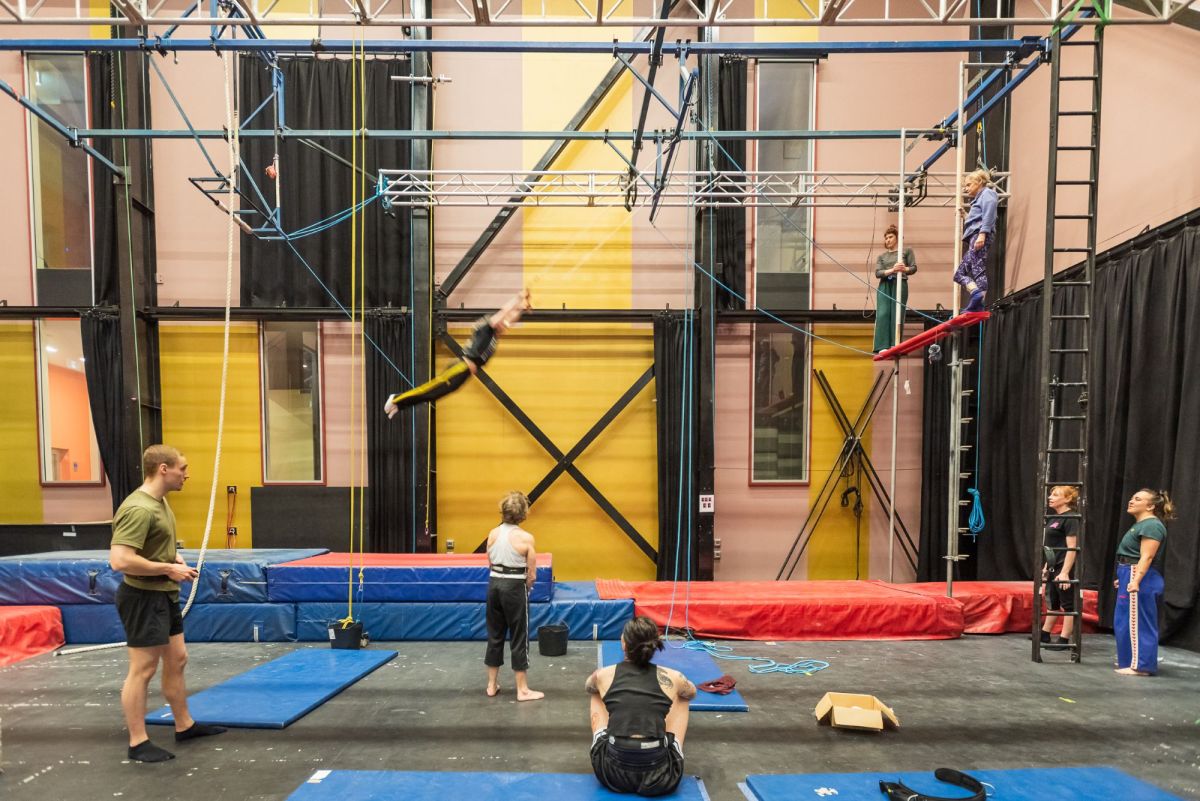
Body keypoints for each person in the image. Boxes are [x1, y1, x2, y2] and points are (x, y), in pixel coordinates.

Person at [108, 445, 226, 763]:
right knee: (143, 669)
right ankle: (137, 742)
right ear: (163, 468)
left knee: (178, 659)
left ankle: (184, 725)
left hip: (164, 594)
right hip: (143, 597)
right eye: (182, 468)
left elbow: (152, 545)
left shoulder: (160, 504)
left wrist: (172, 556)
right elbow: (120, 560)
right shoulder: (139, 508)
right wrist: (167, 568)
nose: (186, 474)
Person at [585, 617, 696, 797]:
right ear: (654, 645)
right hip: (660, 777)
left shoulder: (604, 675)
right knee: (682, 697)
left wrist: (600, 681)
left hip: (612, 774)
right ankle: (673, 743)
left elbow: (588, 686)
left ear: (624, 644)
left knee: (596, 691)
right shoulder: (673, 676)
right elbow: (691, 693)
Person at [384, 288, 532, 417]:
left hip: (465, 373)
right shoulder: (487, 328)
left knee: (434, 395)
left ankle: (399, 405)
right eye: (502, 321)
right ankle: (396, 398)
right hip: (461, 367)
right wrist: (518, 298)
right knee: (429, 389)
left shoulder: (495, 336)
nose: (505, 324)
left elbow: (509, 320)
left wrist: (522, 308)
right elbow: (504, 311)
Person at [484, 490, 543, 701]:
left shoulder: (492, 533)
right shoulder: (526, 538)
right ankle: (523, 690)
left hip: (494, 585)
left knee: (495, 634)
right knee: (519, 636)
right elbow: (532, 575)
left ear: (503, 511)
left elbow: (489, 562)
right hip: (514, 587)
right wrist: (526, 589)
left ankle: (491, 685)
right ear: (523, 513)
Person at [1113, 488, 1174, 676]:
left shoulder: (1151, 525)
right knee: (1124, 621)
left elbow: (1146, 557)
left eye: (1137, 499)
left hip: (1138, 575)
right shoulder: (1140, 525)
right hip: (1128, 572)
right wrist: (1122, 578)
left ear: (1150, 506)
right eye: (1132, 497)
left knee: (1138, 622)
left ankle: (1142, 666)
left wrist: (1136, 580)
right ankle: (1131, 660)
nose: (1131, 501)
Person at [1038, 485, 1080, 647]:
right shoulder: (1054, 518)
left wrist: (1065, 573)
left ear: (1068, 499)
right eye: (1050, 495)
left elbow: (1071, 548)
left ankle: (1064, 639)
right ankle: (1045, 634)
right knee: (1053, 601)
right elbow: (1052, 545)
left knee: (1068, 604)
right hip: (1053, 565)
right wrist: (1046, 567)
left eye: (1055, 495)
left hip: (1065, 567)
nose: (1050, 498)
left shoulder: (1071, 518)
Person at [954, 169, 998, 312]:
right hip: (976, 234)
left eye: (968, 185)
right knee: (959, 274)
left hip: (979, 235)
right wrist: (965, 215)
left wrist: (982, 234)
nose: (966, 189)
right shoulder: (978, 199)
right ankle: (976, 296)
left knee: (978, 268)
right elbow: (977, 219)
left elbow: (989, 215)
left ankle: (979, 298)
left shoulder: (988, 194)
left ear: (979, 182)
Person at [872, 224, 918, 353]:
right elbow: (878, 273)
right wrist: (893, 269)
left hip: (900, 282)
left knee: (897, 313)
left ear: (897, 238)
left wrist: (904, 269)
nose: (888, 240)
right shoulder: (882, 256)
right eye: (886, 238)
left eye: (890, 237)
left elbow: (913, 268)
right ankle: (882, 345)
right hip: (885, 284)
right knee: (883, 313)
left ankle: (895, 343)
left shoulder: (906, 251)